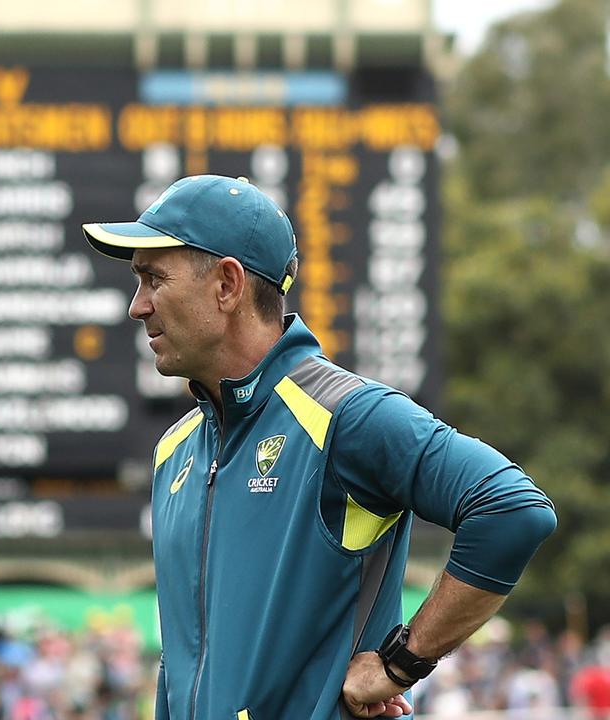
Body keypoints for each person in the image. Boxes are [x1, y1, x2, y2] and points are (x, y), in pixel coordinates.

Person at [81, 174, 557, 719]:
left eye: (153, 278)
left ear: (227, 285)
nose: (137, 306)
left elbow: (512, 510)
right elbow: (184, 661)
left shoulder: (343, 414)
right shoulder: (176, 449)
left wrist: (401, 663)